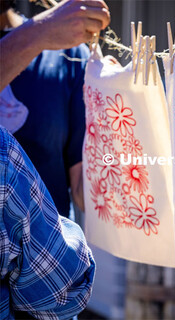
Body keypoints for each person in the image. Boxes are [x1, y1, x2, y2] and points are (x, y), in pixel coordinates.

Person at [0, 0, 110, 217]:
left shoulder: (67, 55)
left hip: (47, 248)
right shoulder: (45, 35)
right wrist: (37, 33)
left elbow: (84, 194)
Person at [0, 125, 96, 319]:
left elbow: (82, 194)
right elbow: (55, 291)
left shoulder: (70, 93)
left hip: (40, 241)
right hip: (44, 259)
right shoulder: (3, 149)